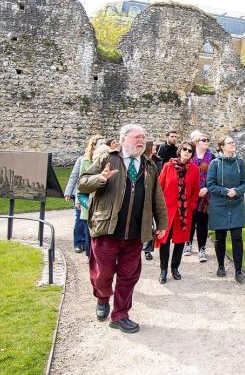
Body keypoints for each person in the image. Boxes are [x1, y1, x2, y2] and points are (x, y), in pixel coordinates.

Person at [78, 123, 168, 333]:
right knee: (103, 273)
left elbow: (158, 198)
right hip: (107, 230)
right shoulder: (108, 158)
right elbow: (82, 183)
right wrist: (100, 178)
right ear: (123, 139)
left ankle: (120, 315)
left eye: (143, 137)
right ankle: (102, 297)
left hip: (135, 234)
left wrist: (162, 223)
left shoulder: (149, 166)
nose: (141, 140)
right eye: (137, 137)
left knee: (129, 276)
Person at [207, 135, 245, 284]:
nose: (233, 144)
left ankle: (238, 271)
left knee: (237, 237)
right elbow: (210, 184)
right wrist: (225, 192)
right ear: (222, 146)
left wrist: (236, 191)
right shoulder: (215, 163)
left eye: (233, 142)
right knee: (220, 237)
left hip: (237, 204)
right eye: (230, 142)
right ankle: (220, 266)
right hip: (219, 205)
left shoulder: (240, 162)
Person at [155, 140, 200, 283]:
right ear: (179, 150)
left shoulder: (194, 169)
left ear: (192, 154)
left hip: (184, 212)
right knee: (165, 240)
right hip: (167, 211)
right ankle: (163, 270)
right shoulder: (168, 166)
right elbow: (159, 188)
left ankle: (175, 267)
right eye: (184, 149)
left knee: (180, 241)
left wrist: (191, 207)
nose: (187, 152)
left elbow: (195, 191)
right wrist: (158, 209)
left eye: (190, 150)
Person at [64, 134, 104, 254]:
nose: (104, 146)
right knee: (80, 220)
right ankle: (78, 242)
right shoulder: (82, 160)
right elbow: (74, 177)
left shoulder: (103, 160)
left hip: (95, 196)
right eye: (101, 144)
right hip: (81, 195)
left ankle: (90, 246)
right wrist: (69, 193)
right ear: (94, 146)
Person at [185, 130, 214, 262]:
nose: (206, 142)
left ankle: (202, 249)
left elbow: (215, 176)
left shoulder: (212, 157)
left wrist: (206, 188)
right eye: (204, 140)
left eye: (208, 140)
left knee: (203, 222)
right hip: (190, 193)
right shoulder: (190, 155)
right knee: (190, 219)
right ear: (197, 142)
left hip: (205, 195)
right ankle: (188, 243)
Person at [141, 140, 163, 261]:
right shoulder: (142, 161)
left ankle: (147, 250)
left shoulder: (158, 161)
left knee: (152, 225)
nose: (156, 147)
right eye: (154, 146)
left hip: (155, 194)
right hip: (144, 196)